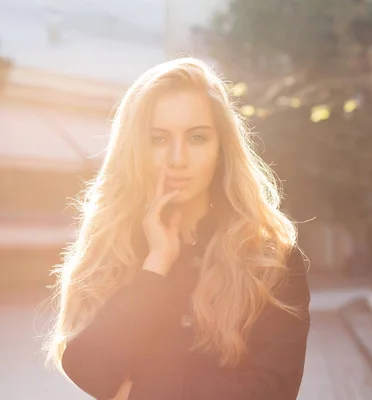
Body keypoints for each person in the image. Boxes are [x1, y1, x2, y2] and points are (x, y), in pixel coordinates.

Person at [44, 58, 311, 400]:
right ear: (136, 149)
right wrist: (155, 265)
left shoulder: (269, 259)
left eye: (197, 137)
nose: (177, 158)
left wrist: (140, 393)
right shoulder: (110, 248)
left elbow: (271, 391)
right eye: (158, 139)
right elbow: (88, 367)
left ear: (221, 149)